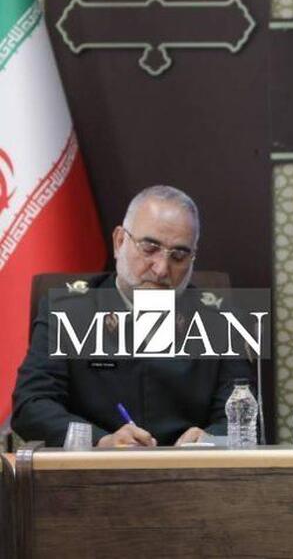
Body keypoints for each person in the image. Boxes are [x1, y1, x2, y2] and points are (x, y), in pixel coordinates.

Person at [12, 185, 251, 447]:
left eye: (179, 255)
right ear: (119, 242)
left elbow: (245, 417)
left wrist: (212, 440)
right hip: (93, 469)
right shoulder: (69, 311)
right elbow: (31, 406)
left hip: (192, 468)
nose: (162, 269)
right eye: (149, 248)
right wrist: (100, 442)